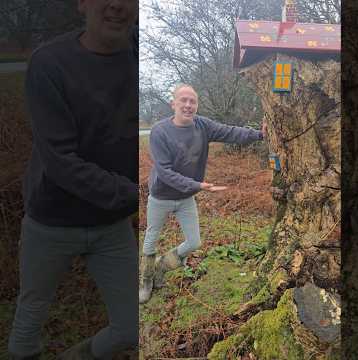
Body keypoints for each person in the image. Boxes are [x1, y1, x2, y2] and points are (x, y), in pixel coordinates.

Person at [8, 0, 139, 358]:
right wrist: (137, 194)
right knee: (30, 314)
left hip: (111, 225)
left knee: (132, 327)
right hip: (51, 221)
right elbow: (61, 162)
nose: (116, 5)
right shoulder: (49, 63)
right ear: (83, 4)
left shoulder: (139, 59)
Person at [139, 84, 266, 304]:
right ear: (174, 104)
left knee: (194, 242)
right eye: (183, 101)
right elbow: (166, 173)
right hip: (160, 197)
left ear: (197, 105)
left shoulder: (202, 125)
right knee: (150, 240)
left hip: (186, 198)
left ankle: (161, 266)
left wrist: (259, 134)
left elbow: (230, 132)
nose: (188, 105)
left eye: (193, 101)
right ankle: (146, 280)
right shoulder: (160, 131)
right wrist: (198, 185)